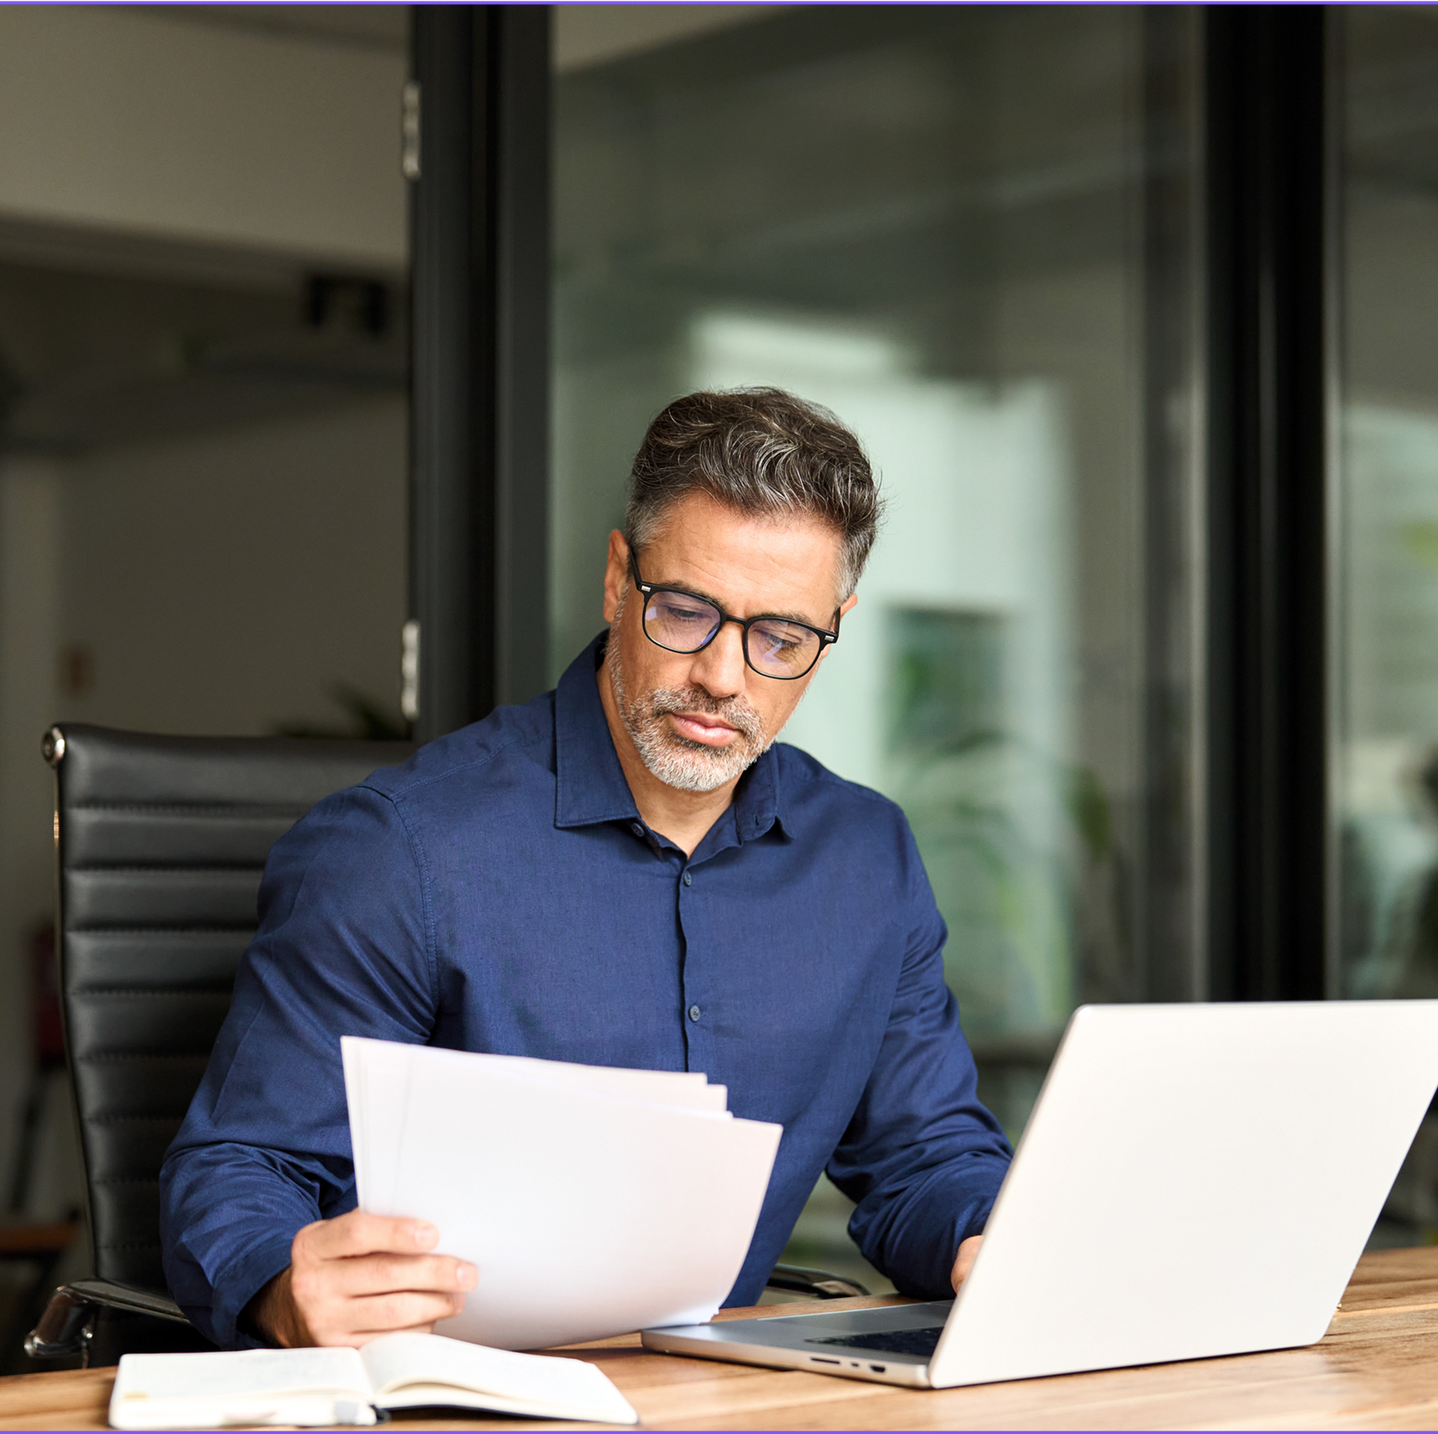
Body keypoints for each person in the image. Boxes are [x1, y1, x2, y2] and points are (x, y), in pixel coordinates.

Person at [160, 387, 1012, 1350]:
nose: (724, 678)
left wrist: (991, 1239)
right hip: (451, 1396)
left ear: (834, 625)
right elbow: (239, 1166)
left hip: (716, 1398)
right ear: (619, 580)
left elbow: (924, 1157)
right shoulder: (402, 851)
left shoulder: (866, 860)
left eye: (781, 638)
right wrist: (280, 1282)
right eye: (687, 612)